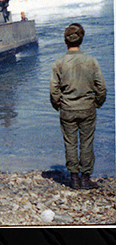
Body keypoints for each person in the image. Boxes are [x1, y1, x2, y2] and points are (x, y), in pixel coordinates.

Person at [50, 23, 106, 190]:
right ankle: (86, 178)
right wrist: (97, 102)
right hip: (87, 107)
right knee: (87, 142)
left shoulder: (59, 63)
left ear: (65, 41)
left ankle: (74, 178)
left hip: (67, 108)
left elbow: (54, 90)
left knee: (70, 143)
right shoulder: (91, 61)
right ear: (81, 39)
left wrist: (58, 104)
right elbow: (101, 88)